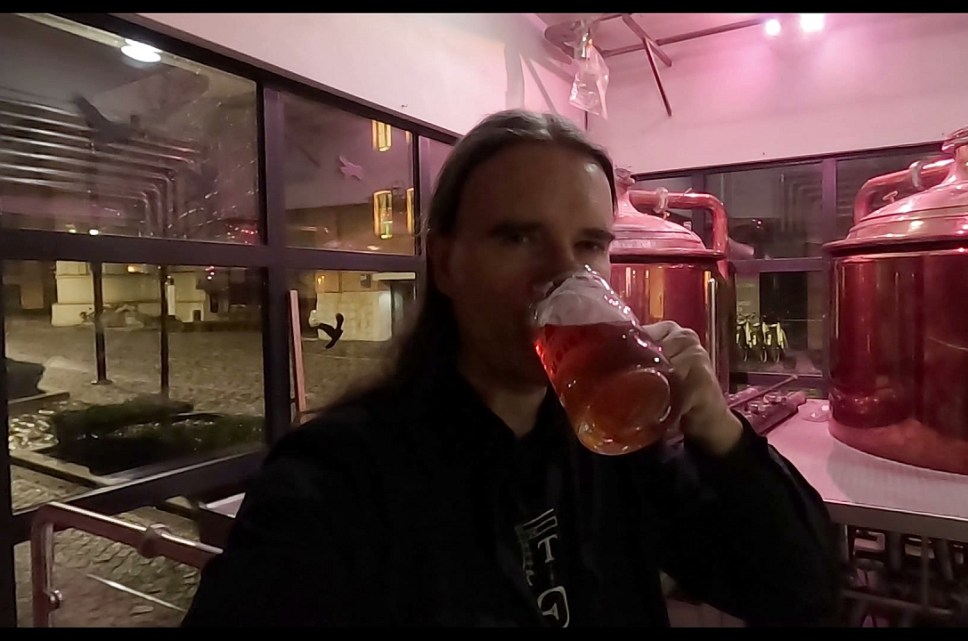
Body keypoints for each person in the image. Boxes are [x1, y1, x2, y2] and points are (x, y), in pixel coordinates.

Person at [182, 109, 841, 627]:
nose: (564, 275)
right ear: (446, 263)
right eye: (519, 237)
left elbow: (800, 591)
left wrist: (720, 434)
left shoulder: (615, 446)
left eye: (589, 244)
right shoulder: (341, 478)